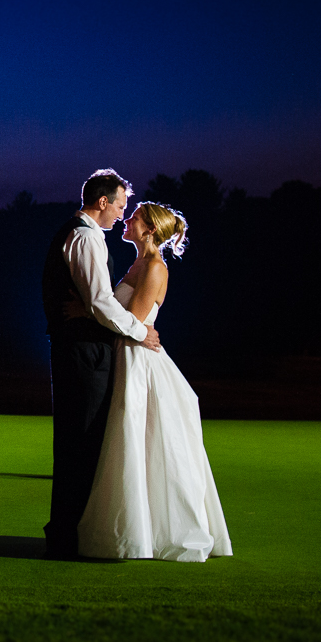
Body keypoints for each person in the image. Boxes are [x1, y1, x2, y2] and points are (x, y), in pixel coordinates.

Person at [74, 202, 232, 561]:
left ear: (147, 230)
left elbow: (134, 321)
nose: (126, 221)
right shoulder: (137, 264)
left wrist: (91, 313)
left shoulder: (155, 267)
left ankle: (150, 532)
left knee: (137, 434)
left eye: (134, 218)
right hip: (124, 349)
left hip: (137, 357)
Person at [39, 169, 160, 559]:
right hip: (84, 352)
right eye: (120, 206)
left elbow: (95, 303)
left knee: (83, 441)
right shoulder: (86, 237)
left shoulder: (82, 235)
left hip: (85, 347)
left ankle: (71, 532)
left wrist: (95, 313)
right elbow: (100, 302)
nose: (122, 215)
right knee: (82, 442)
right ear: (102, 202)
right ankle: (68, 536)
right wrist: (140, 333)